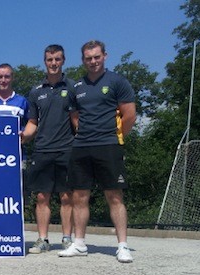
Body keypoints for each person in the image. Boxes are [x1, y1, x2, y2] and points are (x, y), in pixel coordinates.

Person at [58, 40, 136, 263]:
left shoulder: (117, 81)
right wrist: (83, 133)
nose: (92, 62)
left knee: (114, 195)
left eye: (96, 57)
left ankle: (122, 246)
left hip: (109, 144)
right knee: (79, 196)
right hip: (81, 146)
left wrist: (118, 137)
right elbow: (74, 116)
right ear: (83, 60)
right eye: (88, 58)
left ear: (105, 56)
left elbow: (129, 114)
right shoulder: (77, 87)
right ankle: (80, 243)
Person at [21, 44, 75, 254]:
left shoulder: (72, 87)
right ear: (45, 62)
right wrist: (23, 137)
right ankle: (42, 239)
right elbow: (33, 122)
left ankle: (67, 238)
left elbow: (76, 120)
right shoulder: (35, 91)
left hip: (66, 148)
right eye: (50, 60)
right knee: (42, 197)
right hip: (42, 149)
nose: (53, 63)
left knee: (66, 196)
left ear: (63, 61)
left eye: (57, 59)